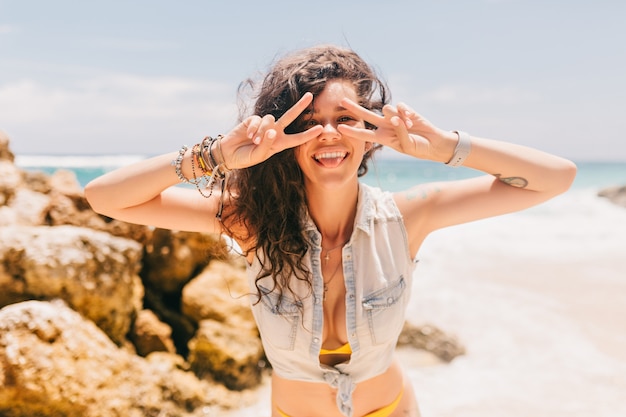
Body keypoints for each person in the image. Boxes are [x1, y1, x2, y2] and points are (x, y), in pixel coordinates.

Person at [84, 44, 577, 417]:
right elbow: (105, 197)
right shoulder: (253, 220)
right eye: (310, 120)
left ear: (372, 132)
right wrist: (213, 155)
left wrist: (445, 146)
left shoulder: (409, 217)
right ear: (284, 135)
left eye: (345, 118)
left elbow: (555, 178)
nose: (328, 133)